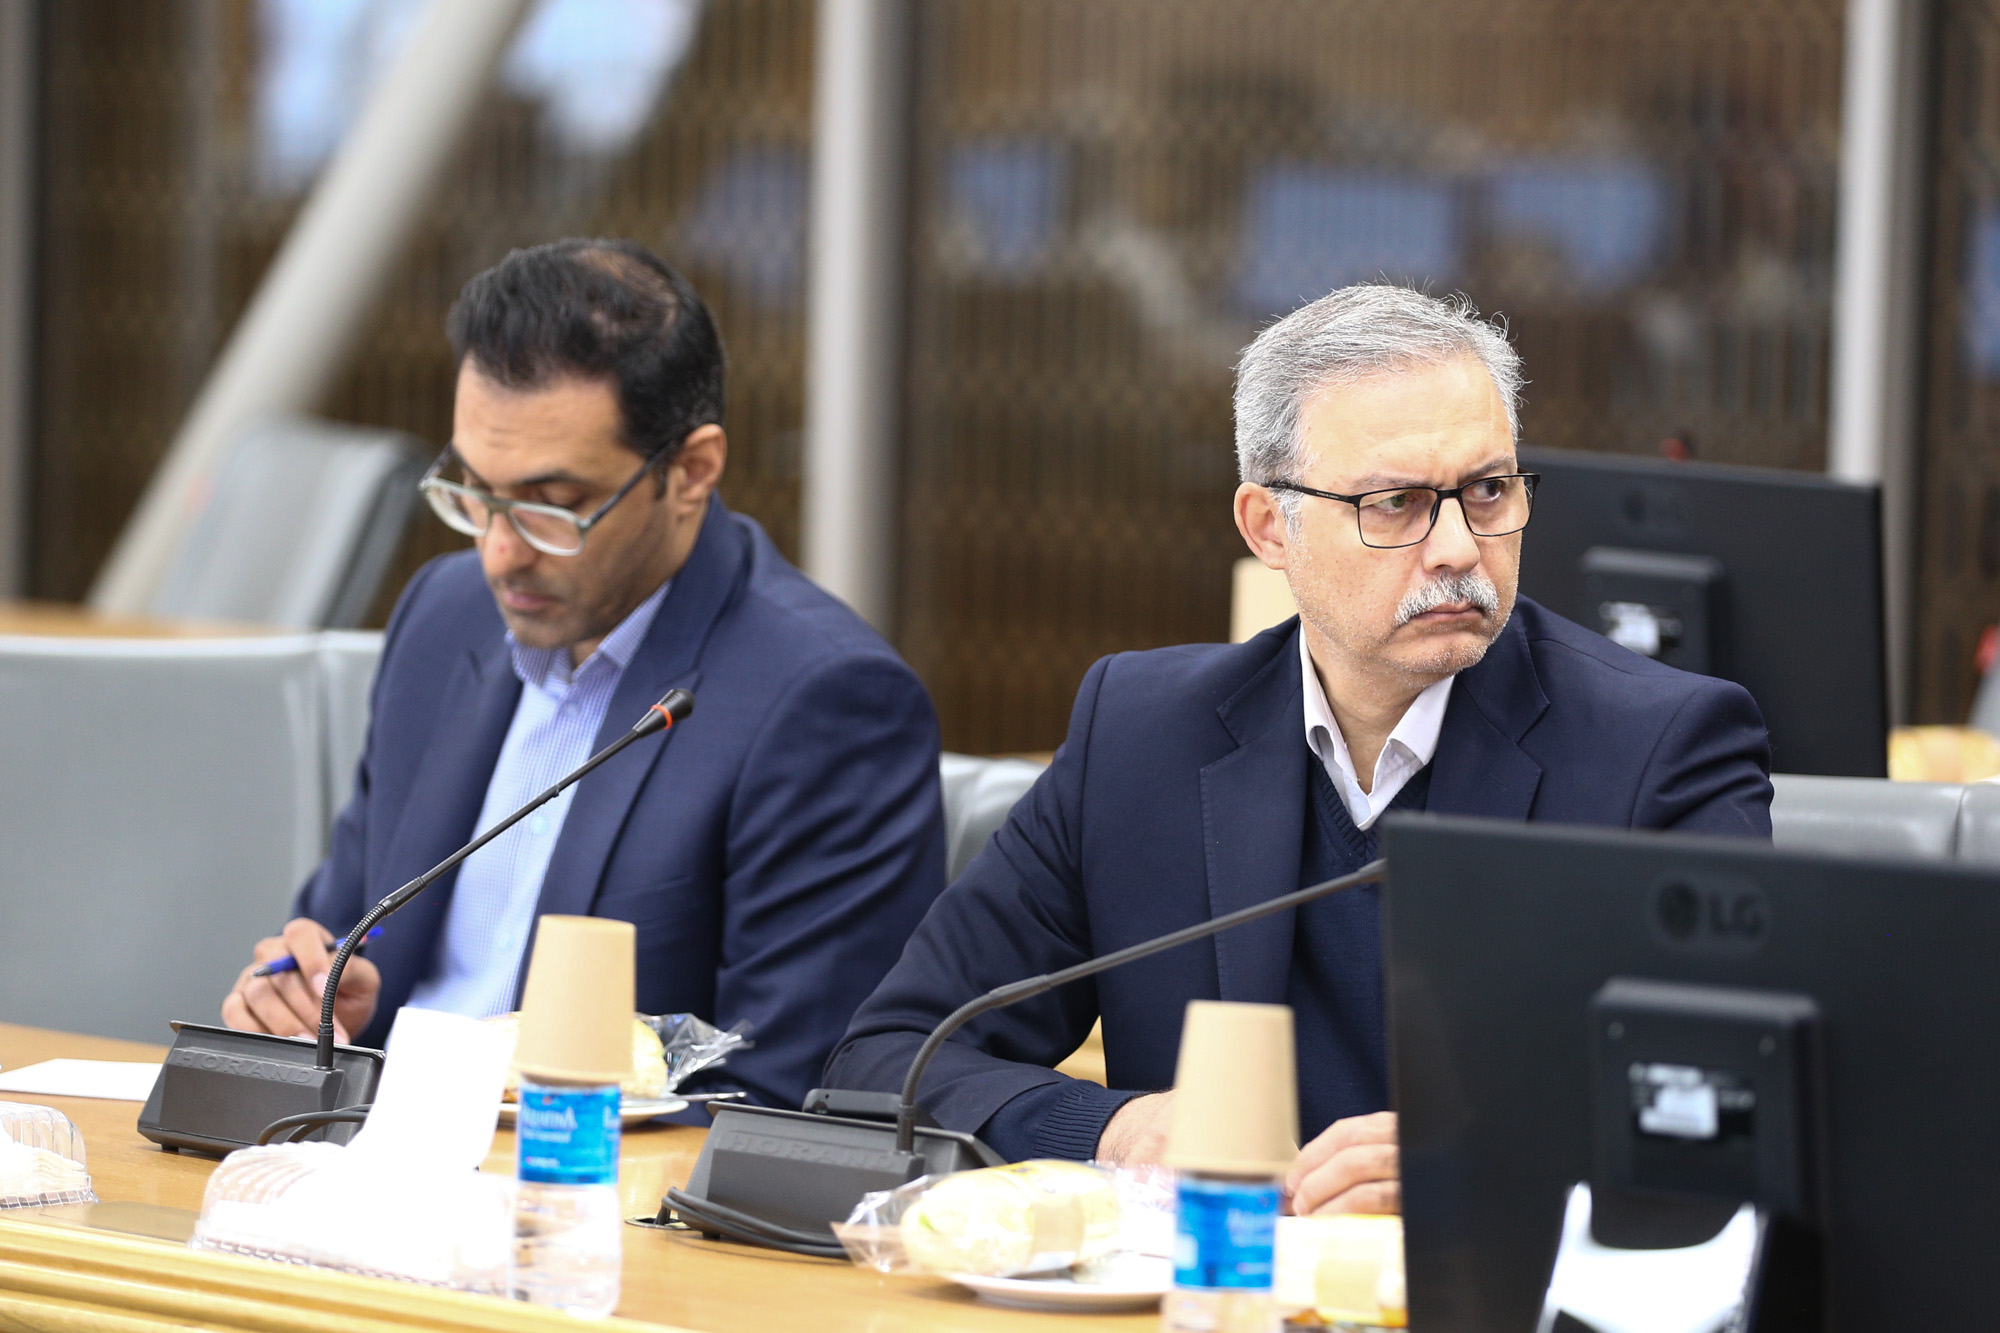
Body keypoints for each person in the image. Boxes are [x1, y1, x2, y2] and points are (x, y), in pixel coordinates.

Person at [824, 284, 1771, 1214]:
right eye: (1396, 502)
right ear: (1269, 526)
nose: (1456, 546)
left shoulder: (1661, 750)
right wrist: (1116, 1131)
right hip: (1210, 1284)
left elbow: (1731, 1110)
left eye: (1487, 491)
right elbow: (887, 1057)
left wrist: (1475, 1163)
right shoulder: (1140, 736)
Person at [221, 239, 947, 1112]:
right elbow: (339, 934)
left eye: (553, 507)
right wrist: (300, 998)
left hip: (588, 1178)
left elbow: (784, 1096)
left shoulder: (827, 702)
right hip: (361, 1150)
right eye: (476, 493)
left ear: (692, 470)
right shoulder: (443, 616)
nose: (500, 552)